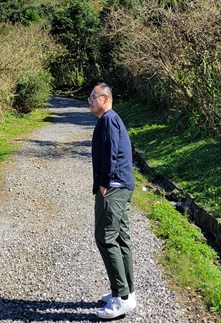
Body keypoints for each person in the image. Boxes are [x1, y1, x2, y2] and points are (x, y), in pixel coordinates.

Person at [89, 82, 136, 320]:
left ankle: (121, 297)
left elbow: (111, 153)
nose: (89, 101)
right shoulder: (112, 118)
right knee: (120, 237)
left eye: (92, 97)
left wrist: (104, 183)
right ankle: (127, 293)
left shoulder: (108, 119)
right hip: (122, 186)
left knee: (105, 237)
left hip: (114, 188)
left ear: (105, 98)